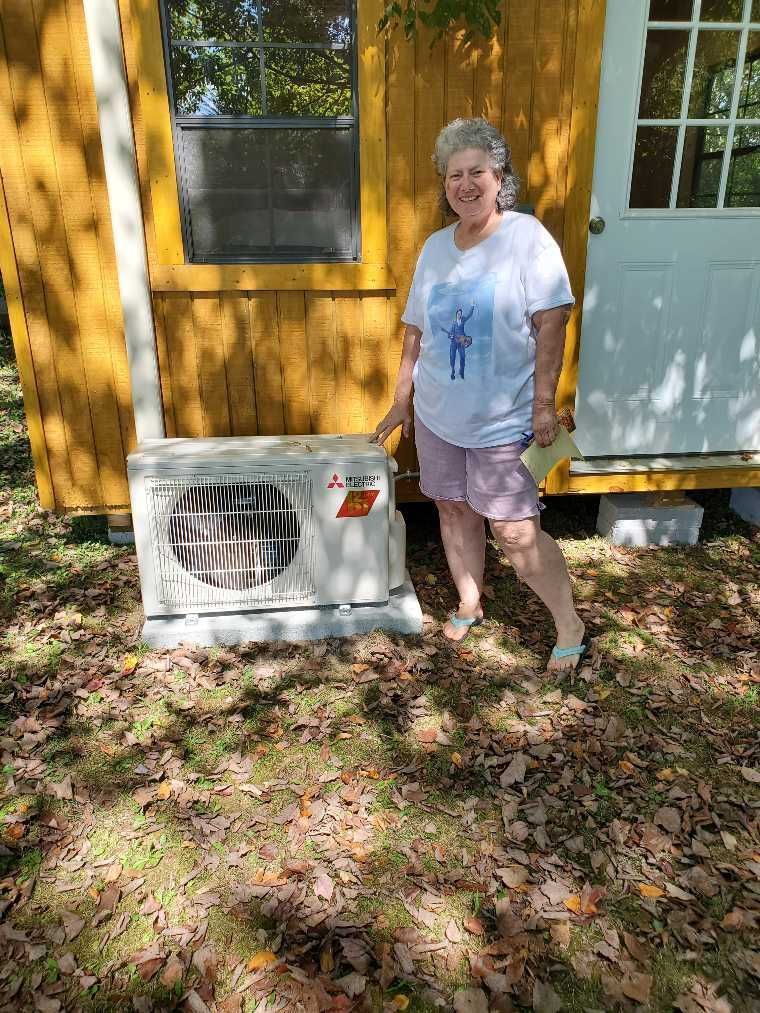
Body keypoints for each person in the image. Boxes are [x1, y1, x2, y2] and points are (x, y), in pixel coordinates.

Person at [372, 117, 586, 672]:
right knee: (450, 509)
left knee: (514, 531)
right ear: (444, 185)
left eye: (477, 173)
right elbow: (415, 330)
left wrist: (544, 405)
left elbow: (553, 322)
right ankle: (470, 599)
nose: (464, 184)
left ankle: (569, 620)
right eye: (453, 175)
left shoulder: (526, 237)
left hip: (503, 420)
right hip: (440, 414)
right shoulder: (436, 247)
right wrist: (403, 399)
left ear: (499, 178)